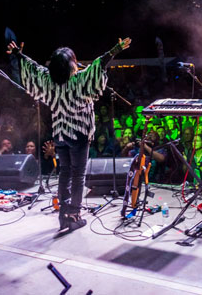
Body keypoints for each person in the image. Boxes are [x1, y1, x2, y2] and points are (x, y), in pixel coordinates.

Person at [7, 37, 131, 232]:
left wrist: (17, 55)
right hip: (79, 134)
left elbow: (33, 68)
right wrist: (115, 49)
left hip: (60, 135)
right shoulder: (78, 81)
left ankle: (63, 214)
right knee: (78, 175)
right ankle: (74, 214)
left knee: (65, 173)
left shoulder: (50, 82)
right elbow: (99, 65)